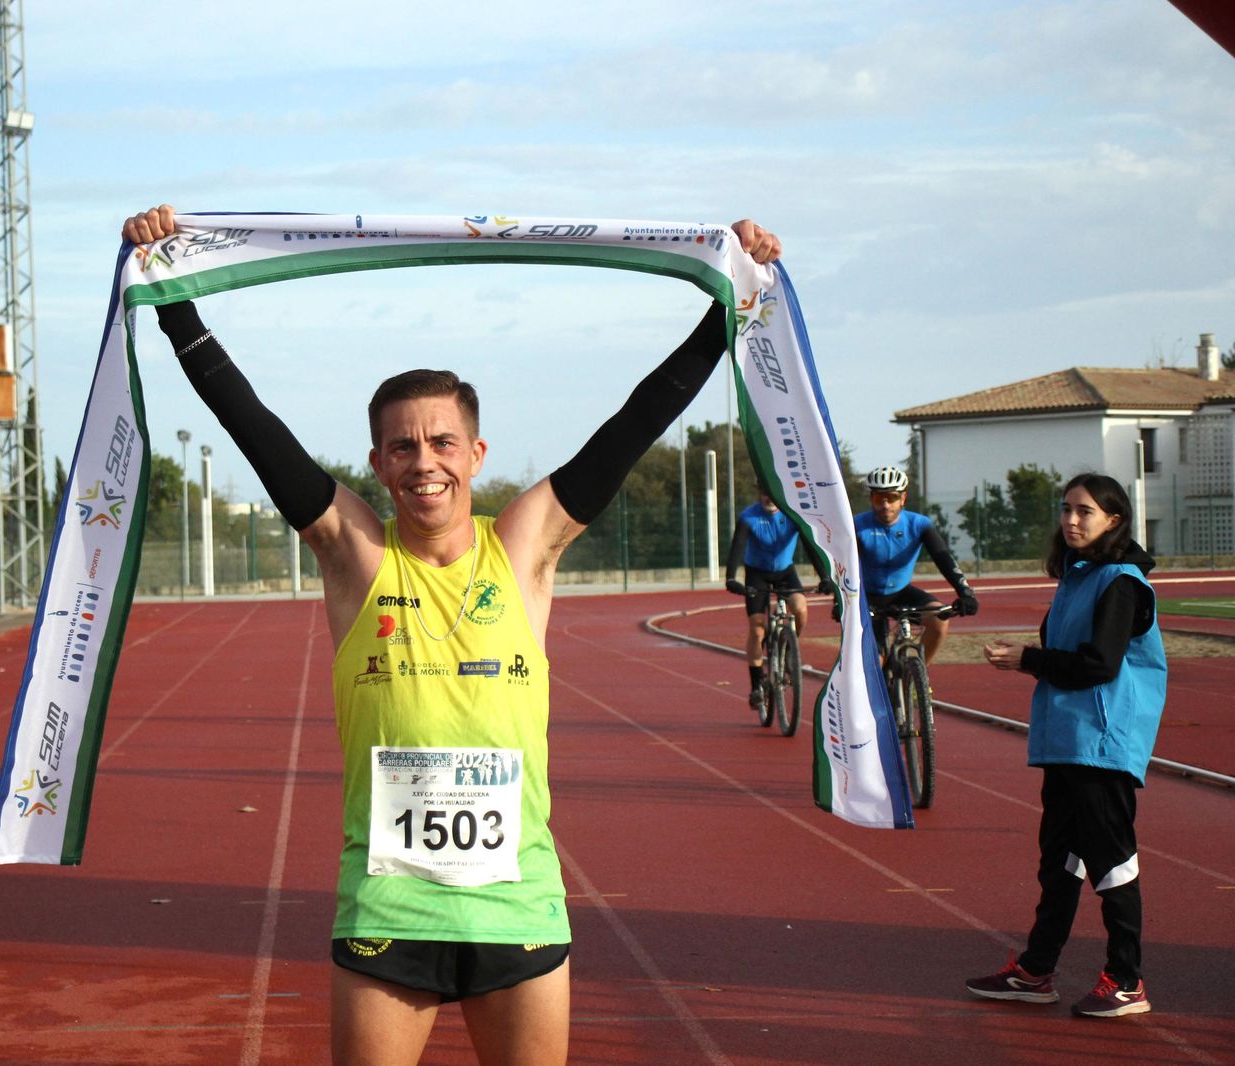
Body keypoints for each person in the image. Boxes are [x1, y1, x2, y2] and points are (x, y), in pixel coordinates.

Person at [123, 204, 781, 1065]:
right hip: (389, 913)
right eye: (401, 447)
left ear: (475, 453)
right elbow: (257, 431)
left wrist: (726, 304)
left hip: (518, 908)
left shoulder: (525, 548)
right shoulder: (356, 556)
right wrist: (176, 301)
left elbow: (634, 424)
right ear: (376, 463)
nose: (422, 461)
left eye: (441, 442)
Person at [969, 473, 1165, 1018]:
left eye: (1085, 511)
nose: (1071, 520)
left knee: (1112, 864)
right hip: (1066, 743)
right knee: (1060, 863)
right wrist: (1031, 657)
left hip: (1102, 746)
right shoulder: (1079, 579)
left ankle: (1127, 981)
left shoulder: (1121, 582)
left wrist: (1026, 659)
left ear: (1114, 521)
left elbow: (1098, 666)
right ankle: (1036, 971)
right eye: (1066, 509)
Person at [723, 486, 834, 713]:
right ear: (759, 493)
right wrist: (731, 579)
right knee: (757, 629)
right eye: (765, 492)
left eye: (773, 492)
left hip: (785, 573)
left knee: (800, 609)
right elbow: (737, 547)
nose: (769, 497)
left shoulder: (792, 514)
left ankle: (789, 647)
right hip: (757, 574)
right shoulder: (749, 517)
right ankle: (756, 686)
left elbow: (811, 547)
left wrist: (824, 577)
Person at [852, 465, 977, 664]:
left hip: (902, 592)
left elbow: (943, 557)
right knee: (876, 660)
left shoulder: (919, 524)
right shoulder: (857, 526)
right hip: (868, 597)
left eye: (892, 498)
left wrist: (965, 592)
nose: (885, 505)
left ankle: (919, 676)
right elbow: (843, 566)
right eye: (878, 498)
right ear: (871, 500)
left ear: (903, 498)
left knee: (938, 619)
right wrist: (840, 599)